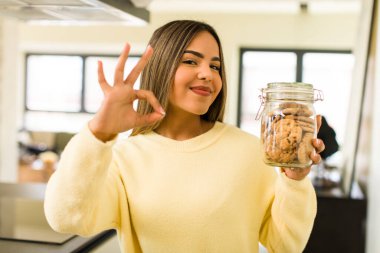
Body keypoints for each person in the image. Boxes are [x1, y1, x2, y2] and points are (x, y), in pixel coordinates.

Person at [44, 20, 325, 253]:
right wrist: (100, 131)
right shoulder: (123, 158)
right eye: (190, 61)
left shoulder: (251, 151)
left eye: (215, 66)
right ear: (161, 68)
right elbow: (66, 218)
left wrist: (295, 181)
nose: (207, 74)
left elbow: (287, 244)